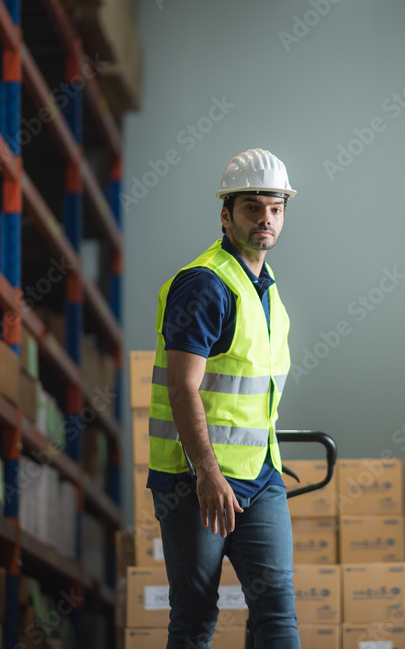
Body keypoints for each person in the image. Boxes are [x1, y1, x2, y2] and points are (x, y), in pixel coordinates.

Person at [146, 148, 300, 648]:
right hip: (196, 480)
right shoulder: (205, 284)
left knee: (277, 605)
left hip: (259, 477)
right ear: (226, 213)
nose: (266, 219)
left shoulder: (266, 289)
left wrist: (268, 463)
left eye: (275, 208)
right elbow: (182, 385)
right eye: (253, 207)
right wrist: (208, 473)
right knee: (195, 614)